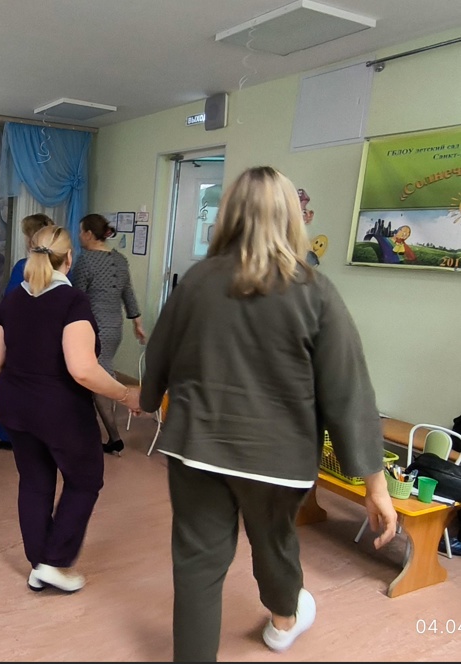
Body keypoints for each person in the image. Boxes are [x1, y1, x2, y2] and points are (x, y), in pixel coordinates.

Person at [139, 166, 397, 661]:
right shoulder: (314, 291)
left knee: (197, 564)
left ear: (229, 215)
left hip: (196, 449)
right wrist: (375, 484)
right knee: (274, 543)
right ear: (292, 218)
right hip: (278, 459)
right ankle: (283, 623)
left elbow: (159, 355)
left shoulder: (196, 282)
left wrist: (149, 398)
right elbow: (348, 390)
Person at [0, 225, 141, 592]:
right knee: (85, 480)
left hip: (15, 404)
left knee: (34, 481)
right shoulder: (72, 302)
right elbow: (83, 369)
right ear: (68, 259)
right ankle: (54, 562)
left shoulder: (13, 299)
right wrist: (125, 395)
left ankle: (39, 563)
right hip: (59, 409)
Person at [72, 213, 146, 456]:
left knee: (97, 381)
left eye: (81, 232)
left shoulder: (86, 261)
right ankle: (91, 430)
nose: (79, 236)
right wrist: (137, 322)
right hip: (114, 328)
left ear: (89, 234)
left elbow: (76, 297)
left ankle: (114, 438)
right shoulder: (120, 259)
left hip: (93, 329)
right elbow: (128, 293)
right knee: (100, 375)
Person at [0, 213, 55, 450]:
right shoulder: (62, 270)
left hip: (22, 338)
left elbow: (10, 304)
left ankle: (4, 433)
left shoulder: (24, 267)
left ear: (31, 238)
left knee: (10, 383)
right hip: (50, 339)